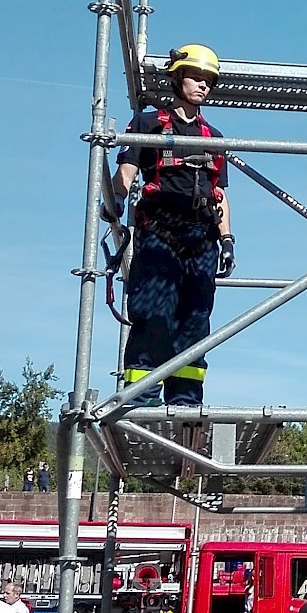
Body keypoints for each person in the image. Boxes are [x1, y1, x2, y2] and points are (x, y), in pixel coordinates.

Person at [108, 44, 235, 408]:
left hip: (201, 239)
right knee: (154, 318)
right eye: (196, 77)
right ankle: (140, 405)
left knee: (195, 324)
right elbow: (127, 175)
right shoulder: (148, 125)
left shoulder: (213, 137)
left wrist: (227, 239)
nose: (203, 86)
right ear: (177, 78)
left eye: (208, 80)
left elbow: (220, 193)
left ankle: (185, 406)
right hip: (160, 233)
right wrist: (114, 198)